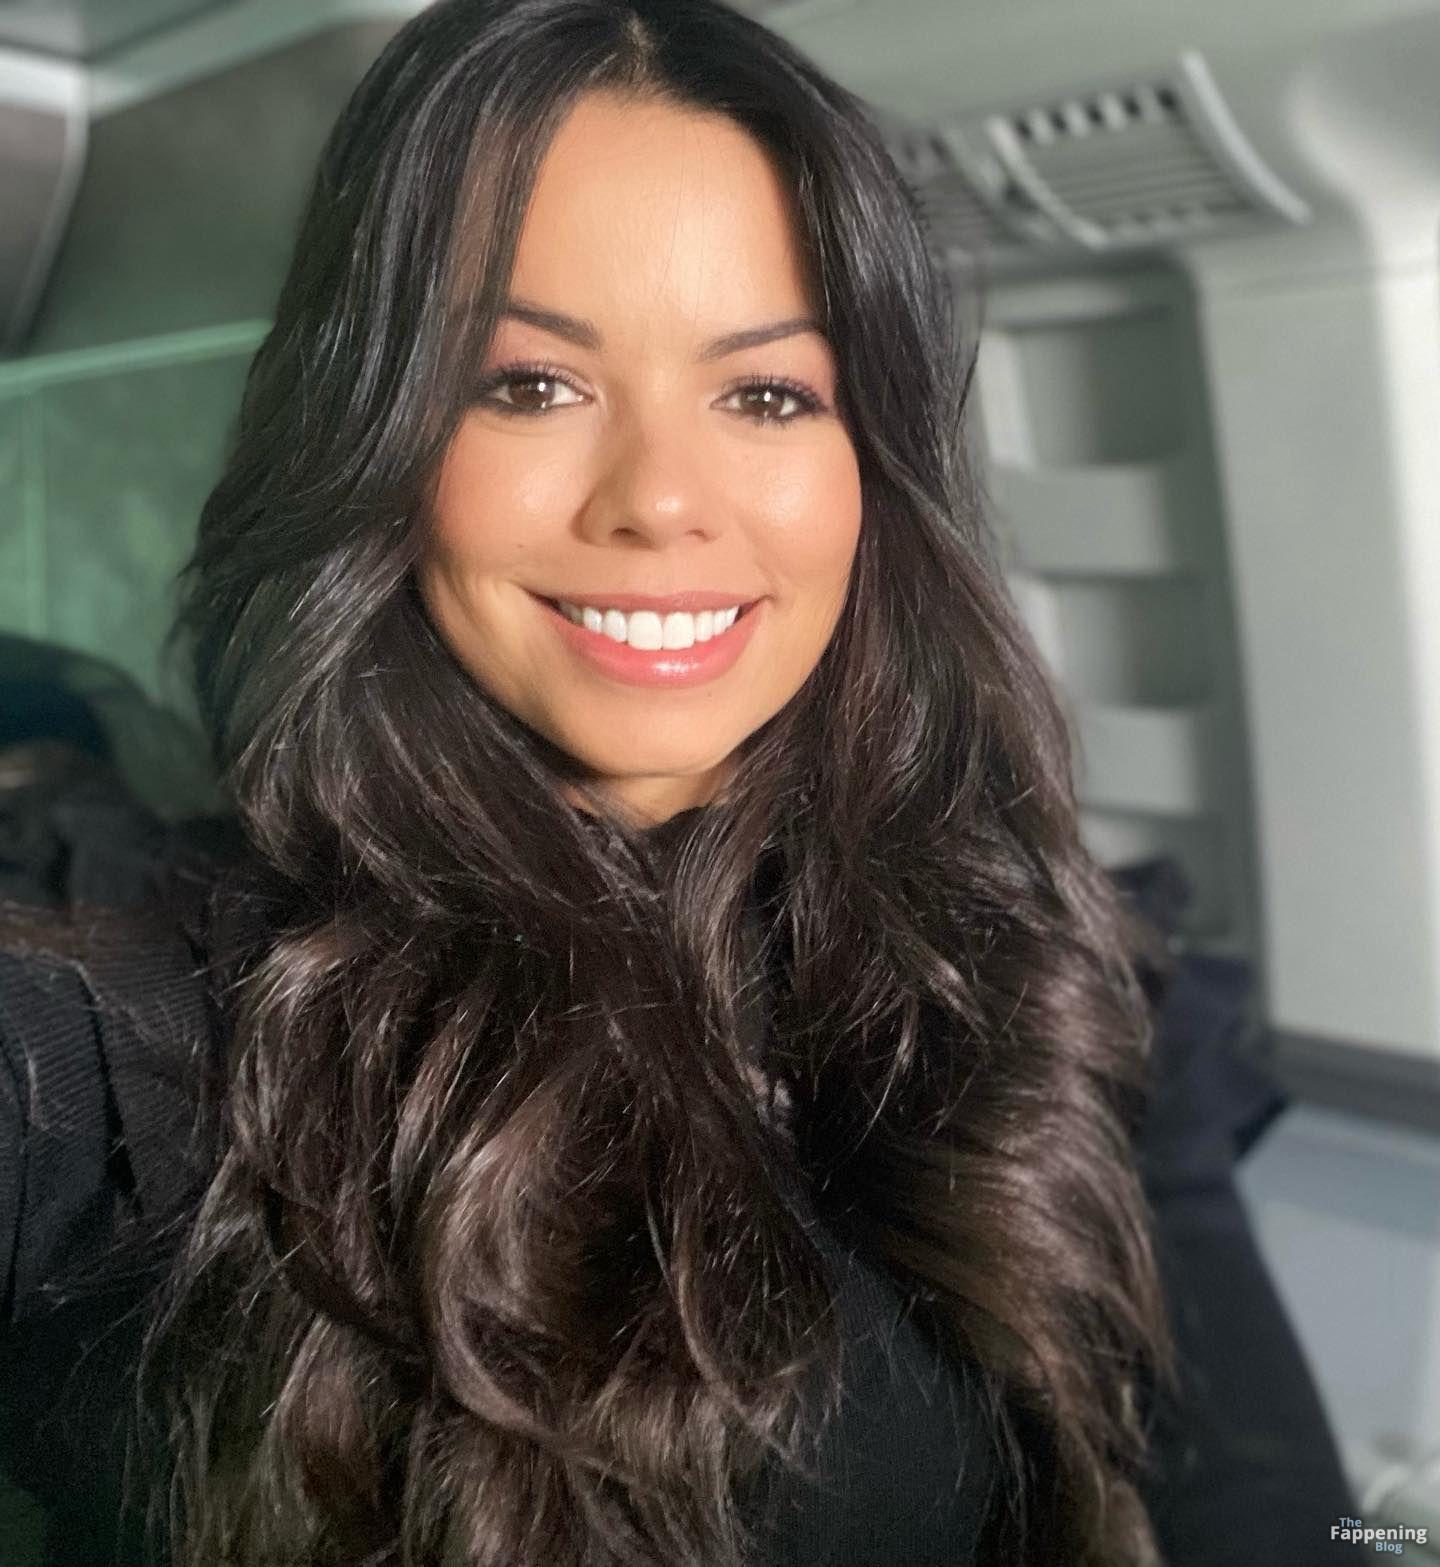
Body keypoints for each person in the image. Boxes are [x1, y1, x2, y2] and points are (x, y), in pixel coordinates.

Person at [0, 1, 1355, 1563]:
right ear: (376, 439)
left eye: (767, 395)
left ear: (874, 467)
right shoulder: (136, 1022)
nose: (658, 500)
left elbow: (1289, 1521)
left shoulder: (1061, 981)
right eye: (529, 384)